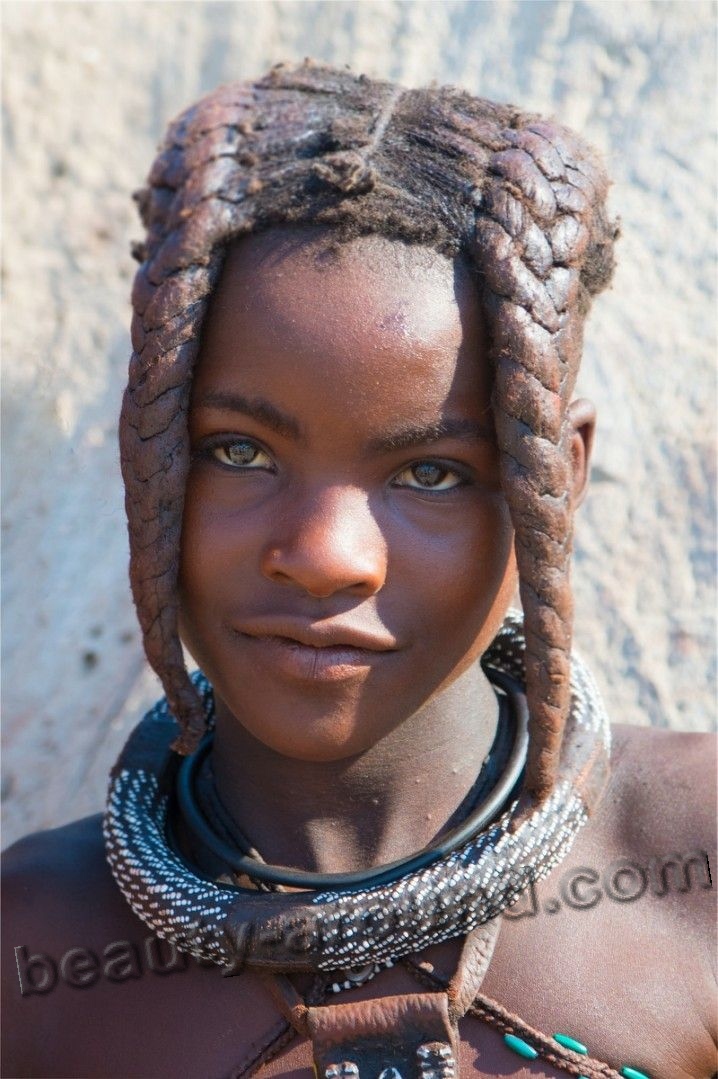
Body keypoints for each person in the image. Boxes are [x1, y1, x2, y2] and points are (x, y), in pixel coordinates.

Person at [2, 60, 716, 1079]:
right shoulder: (34, 953)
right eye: (240, 450)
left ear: (556, 474)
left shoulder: (692, 861)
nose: (325, 556)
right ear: (146, 451)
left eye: (430, 470)